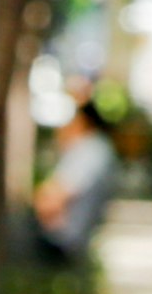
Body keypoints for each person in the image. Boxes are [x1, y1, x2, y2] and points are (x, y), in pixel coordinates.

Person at [26, 100, 119, 270]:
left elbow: (53, 200)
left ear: (82, 122)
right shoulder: (95, 149)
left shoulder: (89, 151)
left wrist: (38, 199)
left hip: (63, 238)